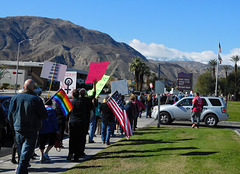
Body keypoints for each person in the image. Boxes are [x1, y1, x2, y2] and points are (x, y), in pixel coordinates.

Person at [8, 79, 47, 174]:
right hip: (31, 130)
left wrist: (13, 128)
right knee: (25, 157)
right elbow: (44, 115)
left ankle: (22, 170)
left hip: (18, 129)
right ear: (33, 88)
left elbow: (10, 116)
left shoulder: (15, 98)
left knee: (22, 154)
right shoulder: (36, 99)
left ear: (24, 87)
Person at [38, 98, 59, 163]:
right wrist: (57, 129)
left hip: (41, 128)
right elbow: (54, 121)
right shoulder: (52, 111)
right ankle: (46, 153)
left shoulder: (40, 110)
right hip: (51, 129)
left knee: (41, 143)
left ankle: (41, 155)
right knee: (51, 142)